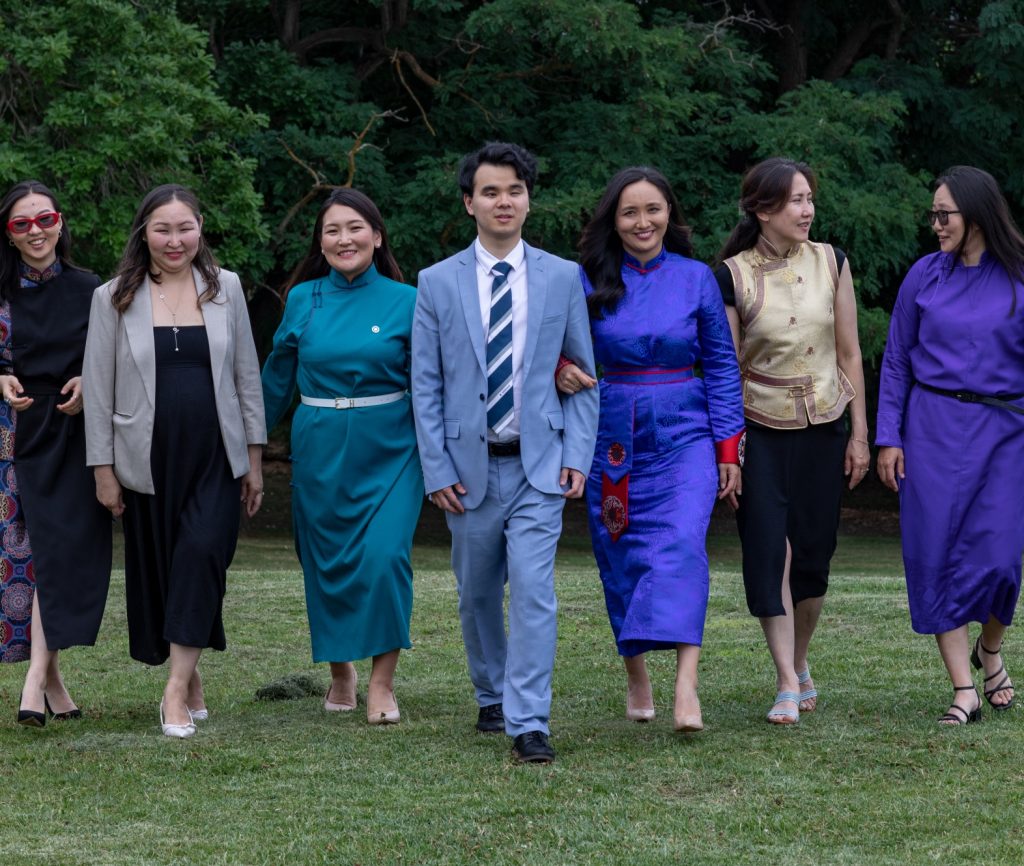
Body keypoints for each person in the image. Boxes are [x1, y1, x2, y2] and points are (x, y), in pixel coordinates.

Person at [411, 142, 599, 763]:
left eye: (514, 190)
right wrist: (436, 466)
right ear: (470, 203)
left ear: (528, 200)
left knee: (535, 590)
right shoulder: (436, 282)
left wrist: (577, 453)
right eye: (490, 191)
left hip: (538, 464)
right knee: (477, 593)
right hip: (466, 469)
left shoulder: (562, 277)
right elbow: (426, 384)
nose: (503, 201)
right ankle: (491, 693)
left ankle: (529, 721)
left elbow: (583, 375)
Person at [556, 166, 745, 732]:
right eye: (630, 212)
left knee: (682, 547)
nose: (643, 222)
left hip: (686, 434)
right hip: (612, 435)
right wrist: (562, 367)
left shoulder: (696, 278)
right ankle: (636, 675)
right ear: (613, 221)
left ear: (669, 214)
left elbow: (721, 366)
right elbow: (552, 347)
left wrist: (728, 450)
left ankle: (687, 686)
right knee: (621, 554)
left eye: (653, 209)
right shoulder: (585, 279)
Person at [83, 184, 266, 739]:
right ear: (144, 233)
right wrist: (103, 470)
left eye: (184, 227)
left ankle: (173, 691)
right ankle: (191, 677)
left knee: (203, 553)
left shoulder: (226, 287)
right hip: (147, 459)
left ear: (200, 228)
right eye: (162, 229)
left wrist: (254, 459)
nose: (174, 240)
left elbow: (246, 377)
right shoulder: (113, 296)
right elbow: (98, 388)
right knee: (166, 569)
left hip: (216, 456)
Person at [715, 158, 869, 724]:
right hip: (758, 431)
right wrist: (727, 452)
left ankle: (800, 661)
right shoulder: (731, 275)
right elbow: (726, 370)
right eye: (795, 201)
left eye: (809, 199)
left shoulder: (832, 261)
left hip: (825, 428)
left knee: (813, 554)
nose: (807, 210)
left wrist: (860, 434)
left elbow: (849, 352)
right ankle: (785, 678)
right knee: (766, 551)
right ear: (762, 210)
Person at [262, 189, 422, 725]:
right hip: (320, 448)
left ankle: (382, 683)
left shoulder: (408, 300)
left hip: (392, 449)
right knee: (324, 563)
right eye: (332, 230)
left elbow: (431, 383)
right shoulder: (303, 299)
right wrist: (247, 445)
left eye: (355, 228)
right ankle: (341, 672)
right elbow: (276, 380)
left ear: (376, 235)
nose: (344, 239)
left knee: (385, 558)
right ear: (321, 242)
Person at [877, 165, 1024, 725]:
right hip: (932, 428)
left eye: (945, 215)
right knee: (934, 553)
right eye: (933, 215)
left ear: (977, 214)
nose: (936, 224)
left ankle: (991, 648)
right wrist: (888, 436)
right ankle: (964, 689)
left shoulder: (1019, 275)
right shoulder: (924, 275)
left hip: (1005, 431)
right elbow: (896, 360)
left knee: (1001, 559)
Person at [0, 181, 112, 726]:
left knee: (62, 553)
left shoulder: (93, 289)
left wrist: (91, 379)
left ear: (60, 221)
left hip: (73, 432)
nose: (36, 231)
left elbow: (117, 356)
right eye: (22, 223)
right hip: (12, 438)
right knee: (28, 555)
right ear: (9, 234)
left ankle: (34, 680)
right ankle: (52, 682)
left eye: (44, 218)